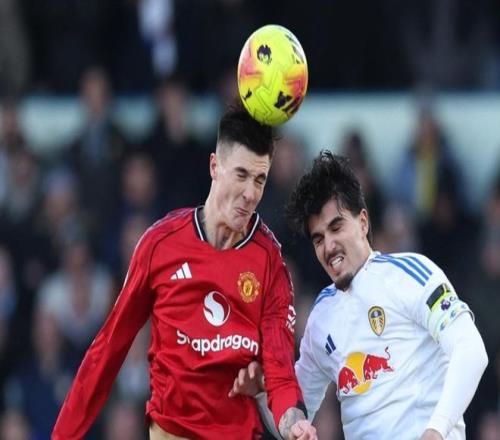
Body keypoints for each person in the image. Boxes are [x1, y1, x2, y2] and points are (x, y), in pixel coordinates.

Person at [52, 105, 317, 440]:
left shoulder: (270, 264)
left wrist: (295, 425)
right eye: (241, 175)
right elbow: (109, 349)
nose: (251, 193)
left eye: (259, 179)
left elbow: (280, 374)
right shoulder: (161, 244)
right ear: (214, 166)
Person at [231, 150, 488, 439]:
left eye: (336, 227)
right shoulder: (322, 317)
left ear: (363, 222)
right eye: (319, 239)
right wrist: (261, 393)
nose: (329, 246)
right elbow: (295, 417)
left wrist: (436, 431)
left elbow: (471, 350)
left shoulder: (409, 274)